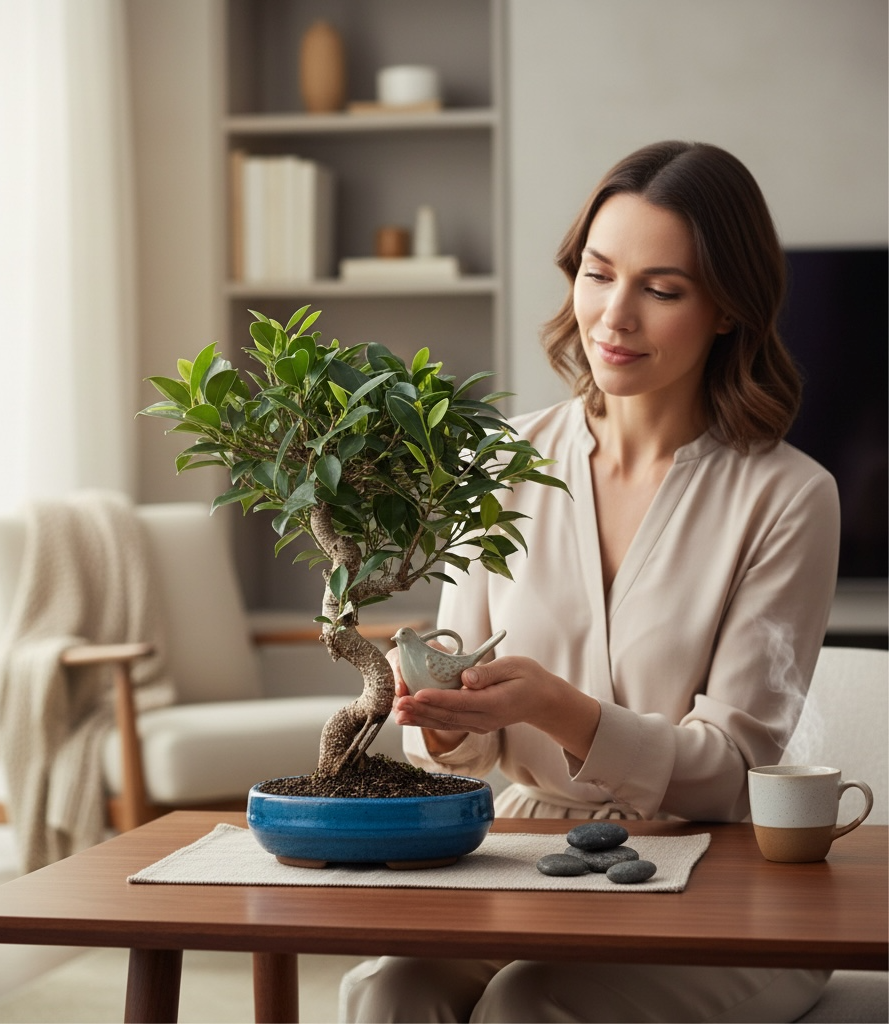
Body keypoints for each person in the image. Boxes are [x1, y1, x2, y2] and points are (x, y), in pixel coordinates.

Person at [339, 141, 840, 1023]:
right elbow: (461, 743)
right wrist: (445, 723)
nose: (614, 315)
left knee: (530, 1005)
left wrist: (555, 706)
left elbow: (735, 775)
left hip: (719, 874)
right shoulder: (501, 460)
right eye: (598, 274)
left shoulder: (788, 496)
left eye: (662, 289)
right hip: (524, 848)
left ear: (728, 308)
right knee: (392, 991)